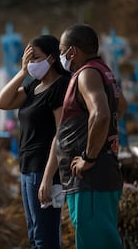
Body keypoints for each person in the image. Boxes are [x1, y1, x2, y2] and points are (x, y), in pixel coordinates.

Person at [39, 24, 128, 249]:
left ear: (72, 52)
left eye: (61, 50)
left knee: (96, 242)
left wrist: (89, 156)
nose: (60, 56)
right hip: (97, 177)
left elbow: (101, 114)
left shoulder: (87, 74)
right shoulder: (101, 71)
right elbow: (121, 106)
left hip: (92, 180)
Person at [0, 35, 70, 249]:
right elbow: (2, 102)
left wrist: (48, 178)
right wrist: (22, 72)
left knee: (45, 237)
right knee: (34, 235)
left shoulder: (59, 86)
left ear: (52, 58)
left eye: (35, 57)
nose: (31, 63)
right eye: (28, 58)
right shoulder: (34, 87)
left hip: (44, 169)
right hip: (27, 168)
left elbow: (60, 133)